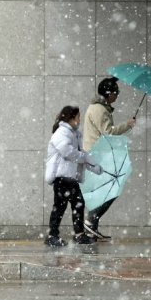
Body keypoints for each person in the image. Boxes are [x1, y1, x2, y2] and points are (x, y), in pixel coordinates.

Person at [82, 77, 136, 241]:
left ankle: (91, 228)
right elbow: (108, 132)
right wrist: (127, 124)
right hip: (98, 155)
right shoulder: (100, 109)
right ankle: (91, 221)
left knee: (105, 189)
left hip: (97, 154)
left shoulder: (98, 108)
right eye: (116, 92)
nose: (117, 95)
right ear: (109, 93)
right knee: (112, 189)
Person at [45, 106, 103, 247]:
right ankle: (52, 236)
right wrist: (84, 158)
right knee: (59, 206)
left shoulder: (74, 134)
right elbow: (68, 152)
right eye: (78, 116)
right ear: (71, 117)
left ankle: (79, 235)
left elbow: (81, 154)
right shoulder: (62, 133)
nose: (80, 119)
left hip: (71, 177)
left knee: (78, 204)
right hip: (62, 177)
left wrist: (95, 166)